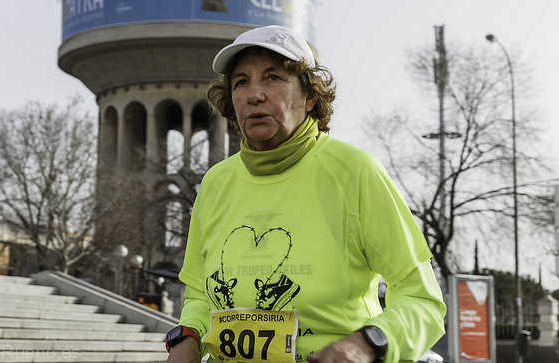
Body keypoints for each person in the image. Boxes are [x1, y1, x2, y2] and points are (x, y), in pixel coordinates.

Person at [164, 25, 446, 363]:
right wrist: (187, 338)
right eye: (241, 82)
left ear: (310, 96)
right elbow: (197, 293)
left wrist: (365, 345)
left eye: (273, 78)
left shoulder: (355, 172)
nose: (254, 94)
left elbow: (423, 301)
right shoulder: (215, 183)